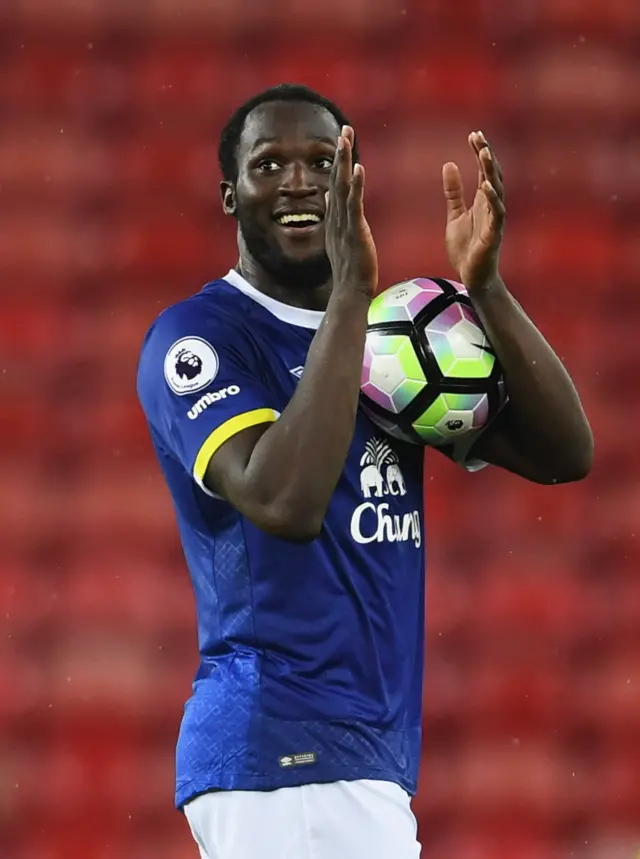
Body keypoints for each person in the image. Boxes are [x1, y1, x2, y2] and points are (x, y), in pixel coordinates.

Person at [136, 83, 593, 859]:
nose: (298, 181)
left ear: (354, 183)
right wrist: (350, 295)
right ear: (229, 194)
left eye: (323, 160)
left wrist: (486, 289)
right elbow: (285, 500)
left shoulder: (394, 341)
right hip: (284, 744)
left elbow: (564, 454)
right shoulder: (202, 336)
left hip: (350, 755)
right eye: (269, 163)